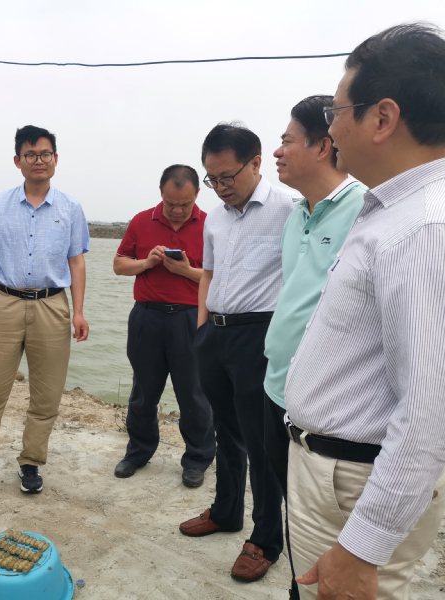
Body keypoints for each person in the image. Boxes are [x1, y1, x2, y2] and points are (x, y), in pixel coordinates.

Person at [285, 23, 445, 600]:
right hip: (340, 474)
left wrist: (362, 548)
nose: (330, 128)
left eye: (337, 111)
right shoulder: (396, 210)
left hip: (353, 482)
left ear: (383, 118)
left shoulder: (423, 226)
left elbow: (429, 407)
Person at [178, 123, 293, 582]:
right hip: (216, 333)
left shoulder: (289, 209)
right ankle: (227, 511)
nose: (221, 187)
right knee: (225, 430)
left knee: (263, 440)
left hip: (259, 335)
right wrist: (203, 326)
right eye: (213, 179)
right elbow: (207, 273)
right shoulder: (216, 218)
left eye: (227, 176)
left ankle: (266, 539)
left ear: (256, 162)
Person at [0, 125, 89, 496]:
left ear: (55, 159)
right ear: (18, 161)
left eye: (45, 154)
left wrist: (78, 311)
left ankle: (31, 462)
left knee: (47, 395)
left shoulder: (70, 207)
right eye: (30, 155)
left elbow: (76, 261)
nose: (38, 160)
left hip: (52, 305)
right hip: (5, 302)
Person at [265, 96, 368, 600]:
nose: (277, 151)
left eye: (287, 141)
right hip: (277, 387)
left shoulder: (364, 209)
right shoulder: (296, 215)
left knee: (330, 533)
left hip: (325, 406)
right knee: (296, 514)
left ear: (323, 146)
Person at [111, 165, 215, 487]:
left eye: (185, 204)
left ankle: (197, 458)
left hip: (190, 316)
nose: (178, 210)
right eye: (171, 203)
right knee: (143, 391)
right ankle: (137, 452)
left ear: (197, 194)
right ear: (161, 193)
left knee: (193, 393)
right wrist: (147, 263)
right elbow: (119, 265)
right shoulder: (142, 221)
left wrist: (185, 271)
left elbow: (221, 278)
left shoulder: (212, 224)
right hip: (147, 316)